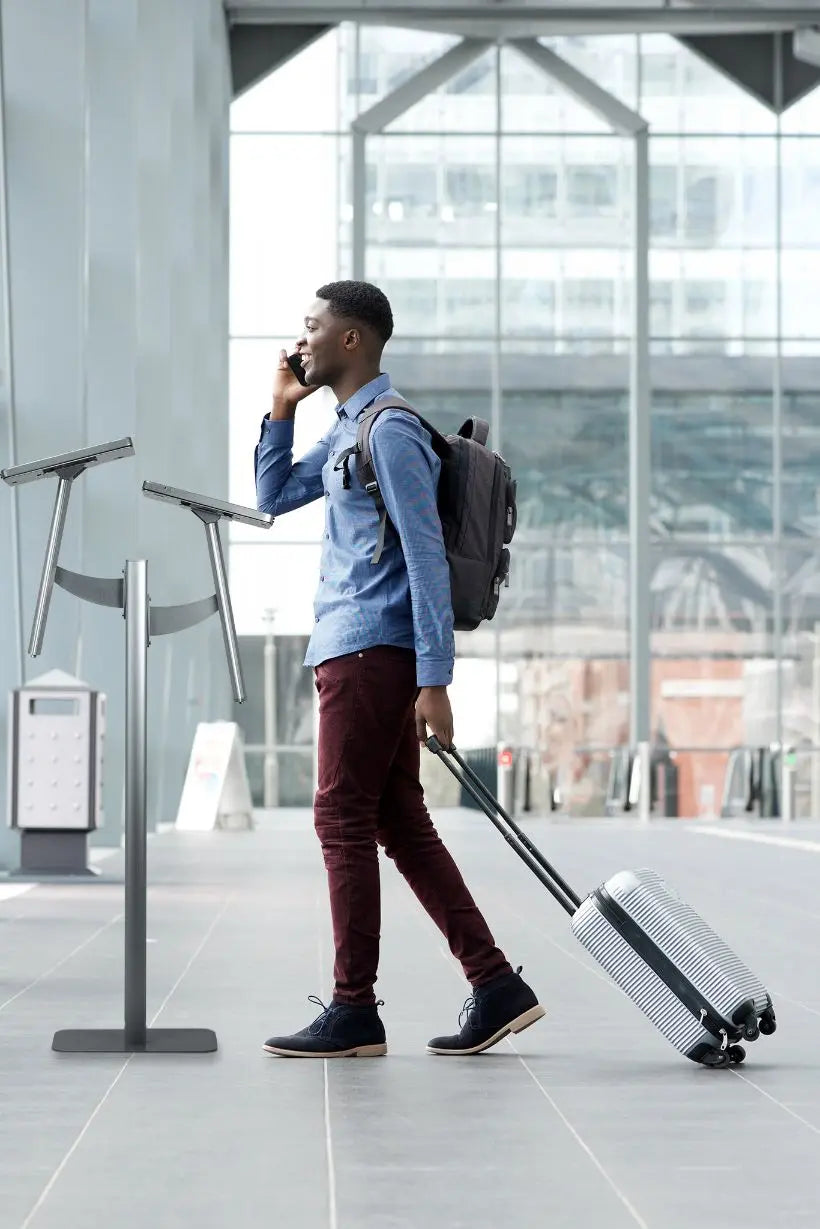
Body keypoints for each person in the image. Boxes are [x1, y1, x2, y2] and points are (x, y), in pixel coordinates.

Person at [255, 280, 544, 1058]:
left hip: (369, 651)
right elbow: (274, 493)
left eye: (311, 326)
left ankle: (354, 1008)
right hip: (358, 648)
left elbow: (424, 559)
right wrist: (281, 407)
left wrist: (436, 679)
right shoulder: (348, 429)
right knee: (398, 822)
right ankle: (495, 984)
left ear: (352, 341)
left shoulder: (390, 432)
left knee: (340, 817)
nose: (300, 339)